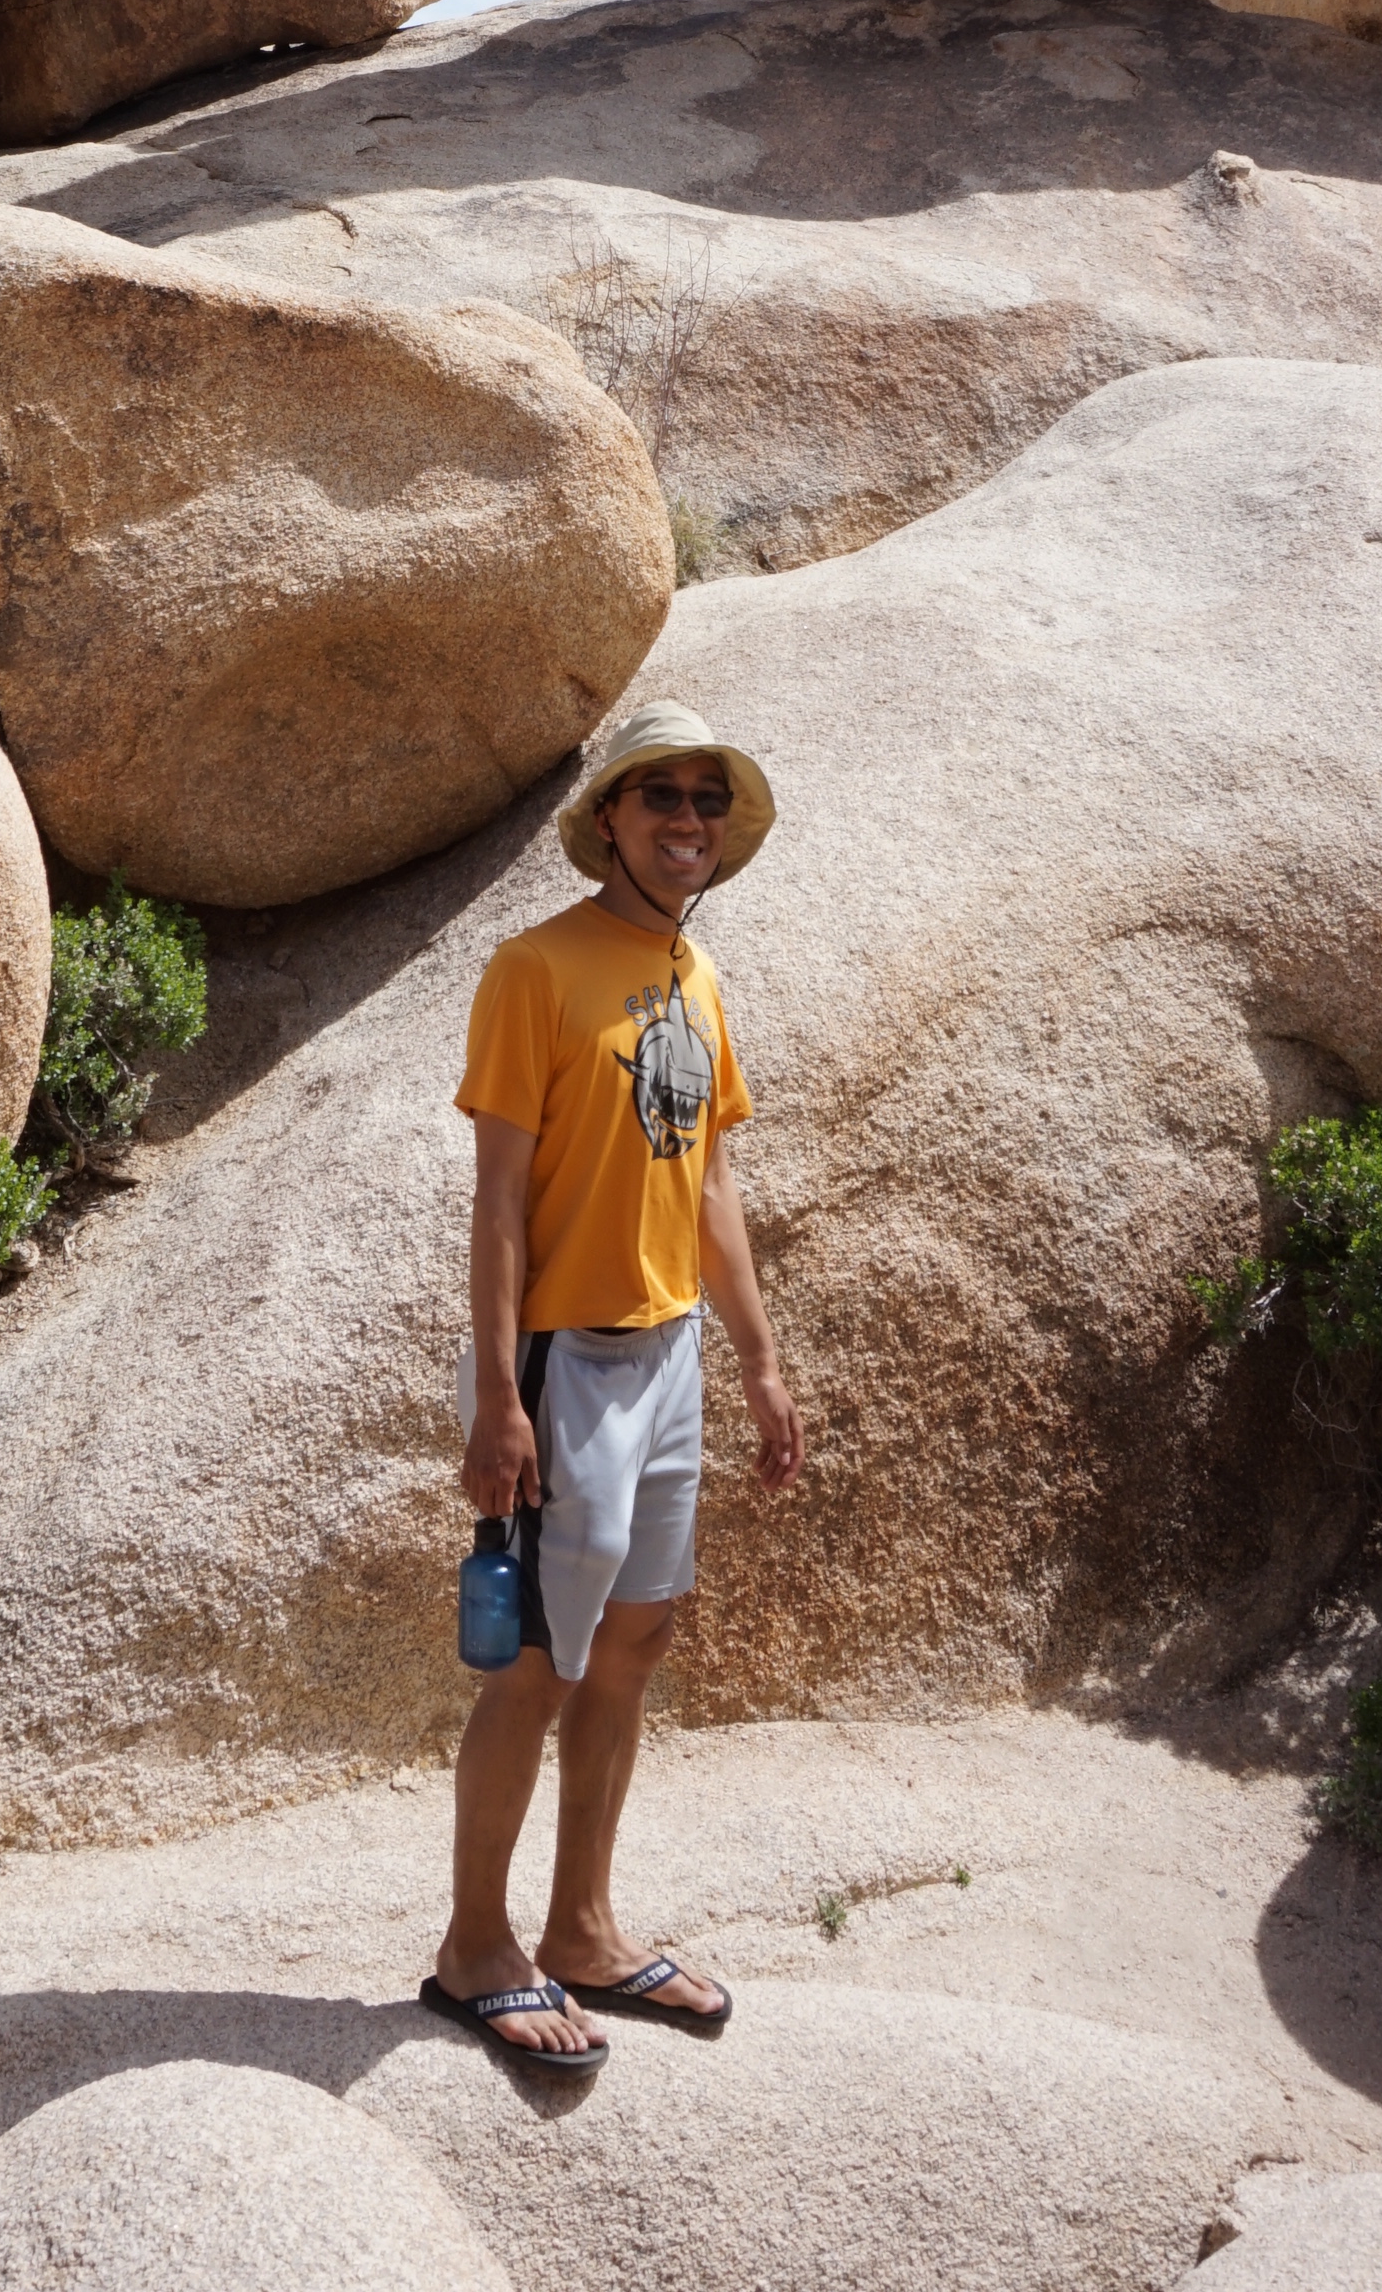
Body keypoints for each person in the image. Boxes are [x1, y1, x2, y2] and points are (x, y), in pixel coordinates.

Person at [422, 699, 803, 2071]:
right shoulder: (536, 971)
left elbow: (712, 1179)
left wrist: (757, 1361)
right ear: (609, 824)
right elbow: (498, 1202)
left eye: (707, 801)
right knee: (533, 1663)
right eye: (663, 800)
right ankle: (477, 1947)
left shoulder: (691, 979)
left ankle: (581, 1927)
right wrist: (495, 1397)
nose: (688, 823)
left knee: (633, 1644)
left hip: (671, 1355)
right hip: (561, 1363)